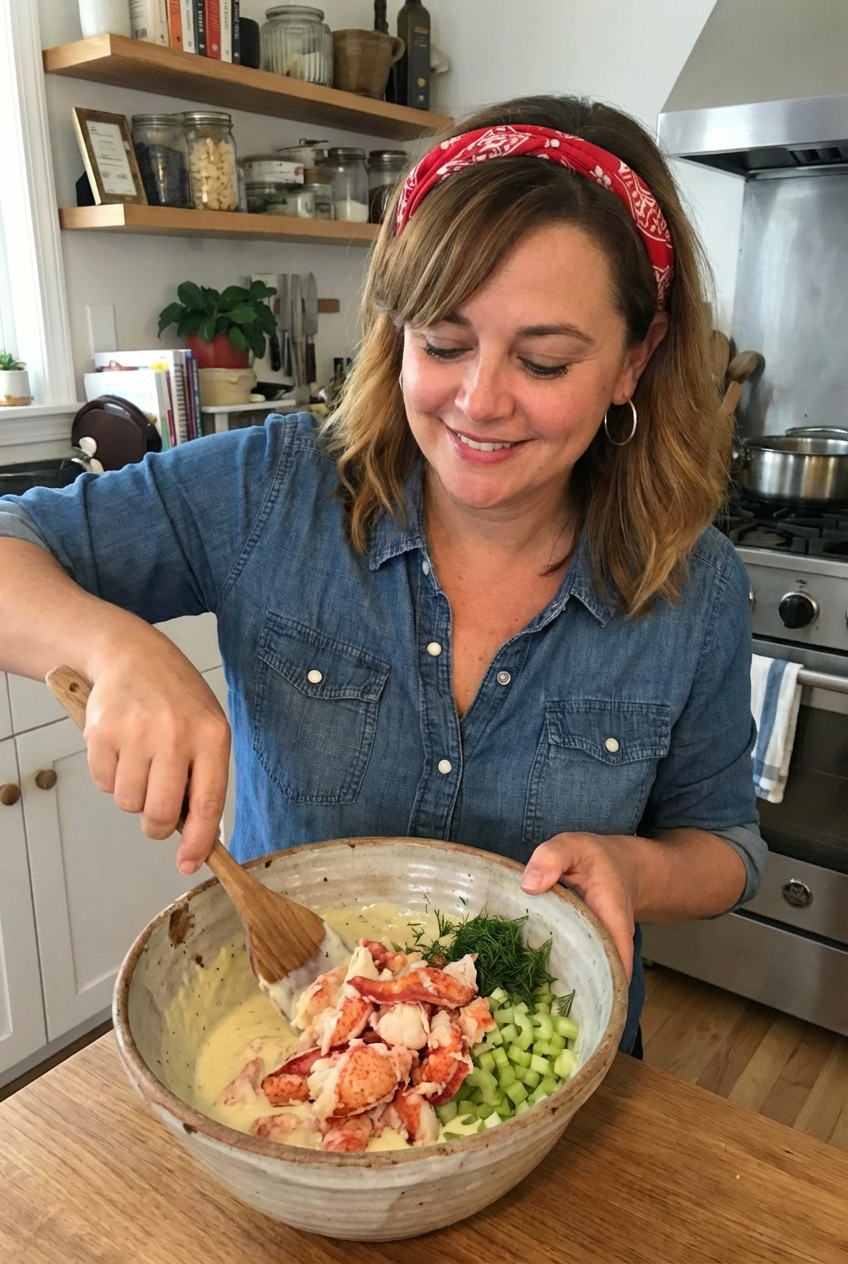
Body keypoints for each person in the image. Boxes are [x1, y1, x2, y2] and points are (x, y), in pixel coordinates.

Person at [0, 95, 765, 1056]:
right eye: (442, 344)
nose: (480, 400)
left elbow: (726, 848)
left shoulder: (696, 585)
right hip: (293, 1046)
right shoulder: (273, 489)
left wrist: (633, 869)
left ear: (633, 360)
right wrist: (113, 647)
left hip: (564, 1066)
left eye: (544, 361)